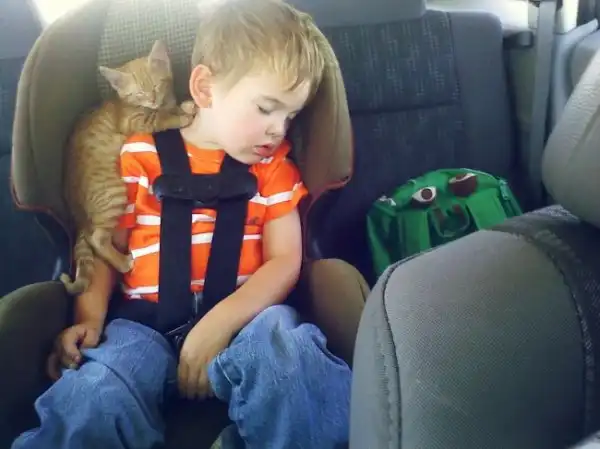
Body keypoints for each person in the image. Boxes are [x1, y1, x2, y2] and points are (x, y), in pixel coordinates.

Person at [11, 0, 352, 448]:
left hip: (249, 322)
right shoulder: (139, 154)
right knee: (93, 396)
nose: (278, 129)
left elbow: (286, 259)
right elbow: (108, 248)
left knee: (291, 359)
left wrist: (219, 323)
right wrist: (89, 317)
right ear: (205, 88)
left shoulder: (275, 169)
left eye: (290, 116)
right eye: (266, 108)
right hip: (141, 327)